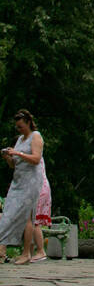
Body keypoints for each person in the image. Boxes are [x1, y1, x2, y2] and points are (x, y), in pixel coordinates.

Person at [0, 111, 45, 264]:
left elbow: (36, 159)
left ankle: (26, 253)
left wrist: (17, 153)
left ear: (27, 122)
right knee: (8, 213)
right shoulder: (20, 139)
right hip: (18, 181)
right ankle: (5, 247)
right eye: (17, 127)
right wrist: (9, 157)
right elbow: (14, 164)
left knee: (27, 216)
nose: (19, 130)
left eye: (20, 126)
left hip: (31, 181)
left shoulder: (36, 136)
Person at [22, 158, 52, 263]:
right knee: (31, 221)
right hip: (38, 186)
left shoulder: (34, 152)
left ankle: (40, 251)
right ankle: (29, 252)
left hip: (39, 188)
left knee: (34, 221)